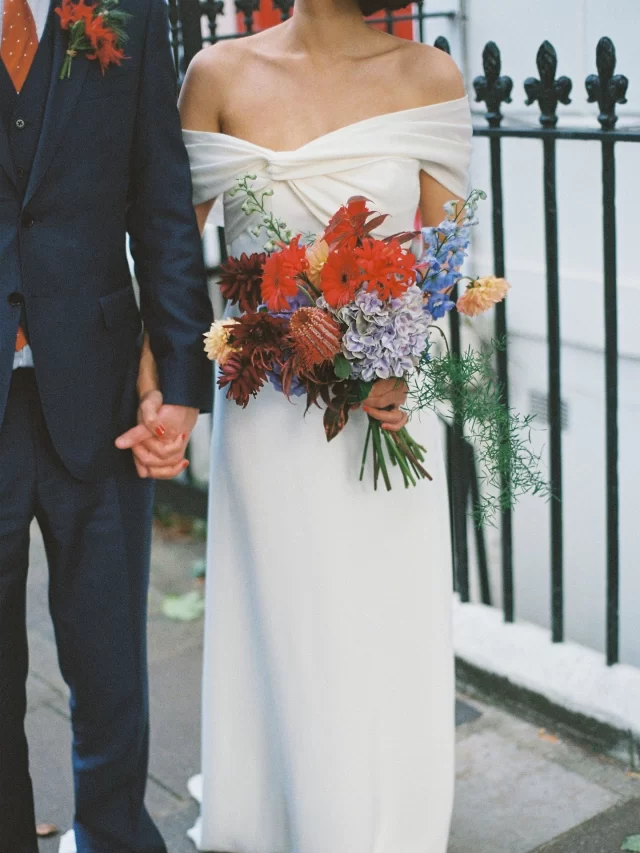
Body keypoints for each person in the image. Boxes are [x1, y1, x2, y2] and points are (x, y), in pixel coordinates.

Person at [172, 1, 471, 850]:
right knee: (293, 622)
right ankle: (279, 813)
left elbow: (445, 264)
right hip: (269, 412)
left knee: (380, 622)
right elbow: (167, 249)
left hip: (385, 404)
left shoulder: (429, 76)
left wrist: (394, 359)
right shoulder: (217, 75)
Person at [0, 0, 213, 851]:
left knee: (112, 670)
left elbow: (163, 204)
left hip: (103, 394)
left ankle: (115, 838)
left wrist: (183, 378)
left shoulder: (128, 10)